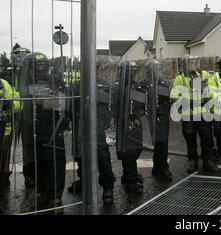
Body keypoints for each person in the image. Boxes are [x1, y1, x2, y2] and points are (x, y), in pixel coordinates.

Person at [19, 52, 68, 210]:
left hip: (53, 128)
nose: (40, 68)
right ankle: (42, 192)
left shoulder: (55, 81)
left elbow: (62, 104)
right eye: (37, 66)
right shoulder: (27, 82)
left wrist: (40, 100)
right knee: (37, 162)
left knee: (55, 162)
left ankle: (55, 196)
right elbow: (22, 103)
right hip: (33, 128)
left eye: (42, 65)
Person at [67, 69, 115, 205]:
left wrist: (104, 120)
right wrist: (74, 118)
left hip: (97, 126)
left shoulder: (103, 84)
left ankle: (107, 187)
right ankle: (84, 181)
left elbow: (109, 105)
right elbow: (70, 105)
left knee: (102, 156)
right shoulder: (76, 85)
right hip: (80, 125)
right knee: (81, 156)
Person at [172, 55, 218, 173]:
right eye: (190, 63)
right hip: (189, 114)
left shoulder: (205, 76)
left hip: (203, 113)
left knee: (207, 138)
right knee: (190, 139)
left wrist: (207, 93)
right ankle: (192, 161)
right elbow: (174, 96)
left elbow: (214, 92)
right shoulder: (180, 78)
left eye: (194, 63)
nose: (193, 65)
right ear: (184, 65)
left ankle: (208, 160)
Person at [113, 60, 146, 194]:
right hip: (123, 124)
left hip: (136, 123)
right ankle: (131, 180)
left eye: (133, 71)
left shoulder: (136, 87)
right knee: (128, 151)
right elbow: (114, 106)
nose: (131, 73)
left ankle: (129, 175)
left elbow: (142, 105)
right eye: (129, 71)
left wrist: (138, 114)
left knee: (137, 149)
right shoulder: (116, 87)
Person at [145, 59, 173, 181]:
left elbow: (168, 100)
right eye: (153, 69)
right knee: (160, 142)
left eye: (157, 68)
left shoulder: (163, 83)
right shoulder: (145, 84)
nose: (155, 71)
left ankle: (159, 167)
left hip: (162, 116)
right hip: (152, 116)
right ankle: (161, 168)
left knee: (162, 143)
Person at [0, 78, 21, 189]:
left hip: (5, 129)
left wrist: (11, 104)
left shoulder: (4, 83)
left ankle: (3, 178)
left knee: (4, 155)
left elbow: (19, 102)